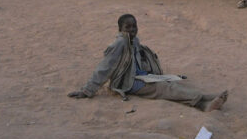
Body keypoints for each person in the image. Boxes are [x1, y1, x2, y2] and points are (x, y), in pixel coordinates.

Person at [67, 14, 228, 111]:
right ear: (120, 29)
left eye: (134, 26)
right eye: (127, 27)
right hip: (129, 83)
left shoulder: (134, 40)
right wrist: (87, 90)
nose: (131, 30)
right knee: (165, 89)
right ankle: (203, 103)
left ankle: (205, 98)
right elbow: (104, 68)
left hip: (141, 76)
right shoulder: (119, 44)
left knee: (171, 82)